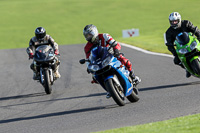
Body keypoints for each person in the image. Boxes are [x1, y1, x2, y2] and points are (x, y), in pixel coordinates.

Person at [83, 24, 141, 98]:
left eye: (89, 35)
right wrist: (88, 67)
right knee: (95, 77)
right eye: (87, 36)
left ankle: (133, 76)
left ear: (94, 32)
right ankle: (109, 90)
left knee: (125, 61)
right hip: (99, 61)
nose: (88, 37)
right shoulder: (87, 47)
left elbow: (114, 43)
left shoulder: (105, 36)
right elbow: (88, 58)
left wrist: (116, 50)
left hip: (111, 54)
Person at [164, 12, 200, 78]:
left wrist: (199, 37)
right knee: (176, 61)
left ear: (179, 20)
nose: (174, 23)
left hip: (191, 42)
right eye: (172, 21)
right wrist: (175, 53)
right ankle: (187, 69)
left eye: (175, 21)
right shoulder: (169, 32)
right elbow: (169, 44)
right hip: (181, 47)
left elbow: (195, 30)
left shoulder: (186, 23)